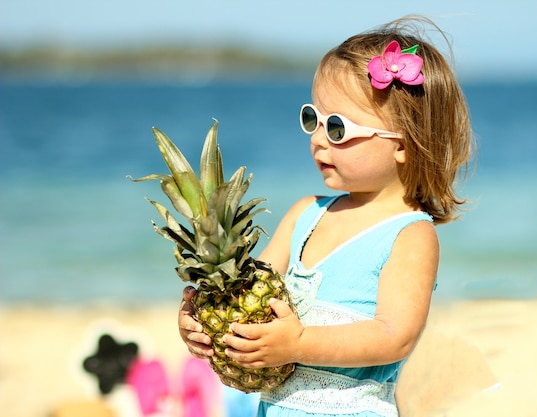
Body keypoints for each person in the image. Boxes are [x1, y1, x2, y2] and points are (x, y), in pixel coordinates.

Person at [178, 15, 474, 417]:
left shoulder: (410, 235)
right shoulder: (305, 215)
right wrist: (206, 322)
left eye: (337, 127)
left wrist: (299, 344)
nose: (317, 138)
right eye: (312, 119)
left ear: (402, 144)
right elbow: (244, 294)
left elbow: (394, 337)